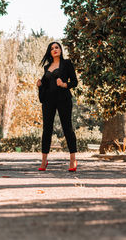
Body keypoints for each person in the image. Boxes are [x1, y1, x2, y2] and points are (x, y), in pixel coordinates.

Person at [37, 42, 78, 172]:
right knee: (46, 129)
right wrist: (40, 84)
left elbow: (75, 82)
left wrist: (64, 84)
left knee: (67, 128)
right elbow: (45, 84)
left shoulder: (67, 64)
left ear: (60, 50)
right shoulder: (47, 67)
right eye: (52, 48)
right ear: (49, 52)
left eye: (57, 47)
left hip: (63, 99)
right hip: (48, 101)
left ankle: (73, 159)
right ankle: (44, 161)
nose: (55, 50)